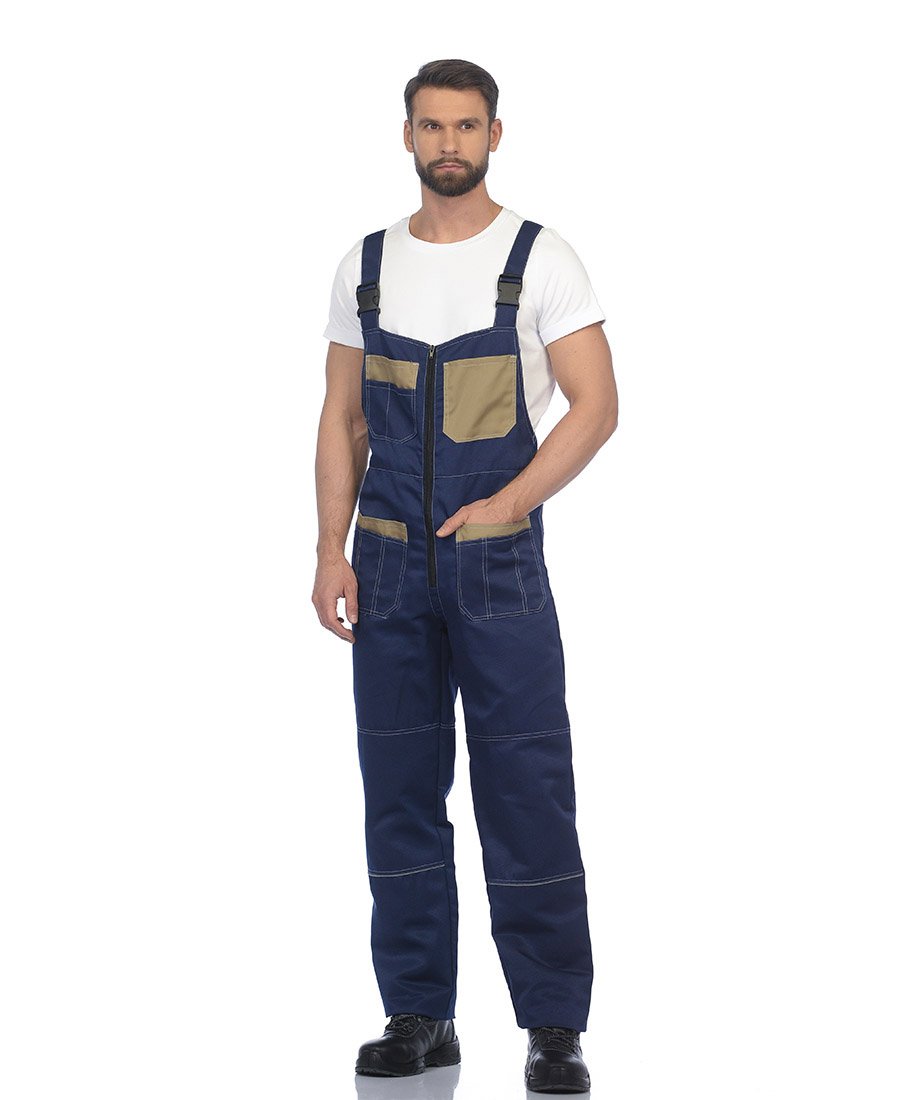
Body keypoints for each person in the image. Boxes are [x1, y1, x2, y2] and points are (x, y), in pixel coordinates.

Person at [312, 58, 617, 1094]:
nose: (450, 142)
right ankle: (419, 1015)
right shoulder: (364, 266)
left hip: (498, 565)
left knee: (526, 785)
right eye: (432, 125)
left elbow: (596, 406)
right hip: (388, 561)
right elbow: (341, 419)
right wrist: (329, 548)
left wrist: (509, 502)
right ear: (407, 135)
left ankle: (553, 1025)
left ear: (494, 134)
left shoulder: (541, 259)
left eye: (467, 125)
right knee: (399, 791)